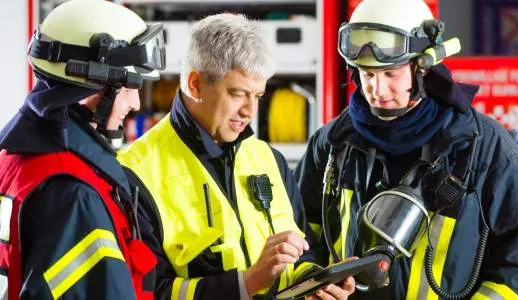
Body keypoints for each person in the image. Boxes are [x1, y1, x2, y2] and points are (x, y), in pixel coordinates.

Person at [295, 0, 518, 299]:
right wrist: (310, 282)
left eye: (390, 74)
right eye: (367, 74)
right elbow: (298, 237)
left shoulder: (484, 149)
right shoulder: (332, 144)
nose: (376, 90)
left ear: (424, 68)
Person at [118, 13, 355, 300]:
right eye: (238, 94)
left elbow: (304, 251)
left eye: (258, 96)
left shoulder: (269, 160)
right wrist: (247, 283)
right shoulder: (134, 174)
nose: (250, 111)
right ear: (195, 84)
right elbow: (148, 293)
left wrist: (315, 282)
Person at [0, 0, 167, 298]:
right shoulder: (75, 194)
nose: (136, 104)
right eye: (129, 87)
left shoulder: (15, 159)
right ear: (92, 85)